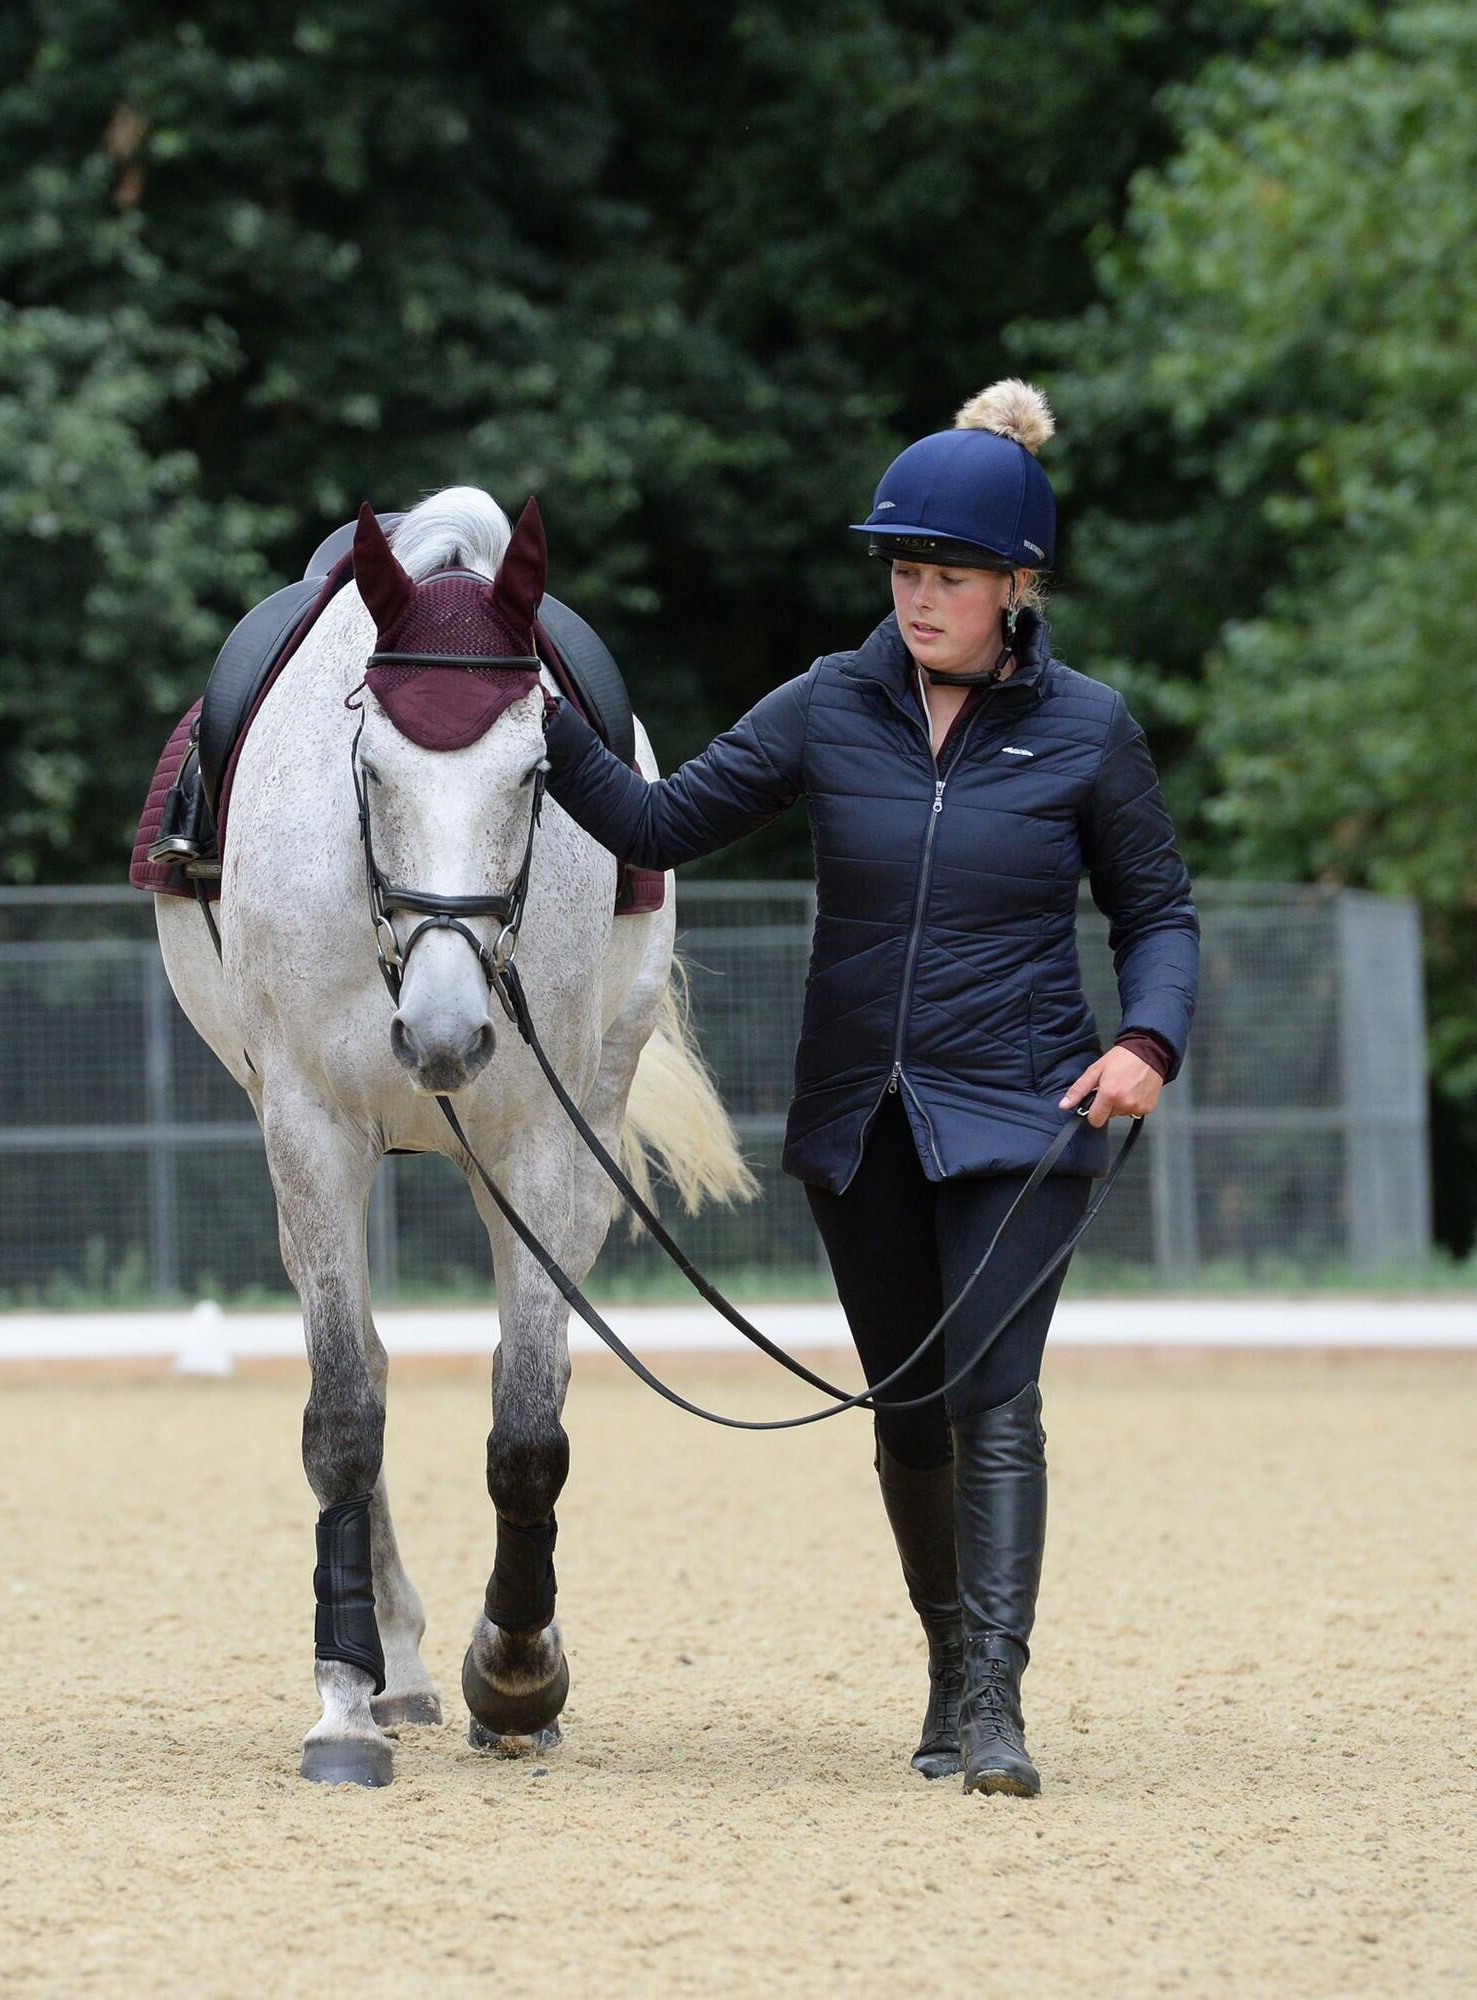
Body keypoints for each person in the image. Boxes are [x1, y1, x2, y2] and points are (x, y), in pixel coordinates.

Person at [538, 381, 1200, 1796]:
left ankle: (998, 1710)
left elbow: (1159, 913)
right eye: (904, 573)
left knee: (993, 1399)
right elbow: (660, 822)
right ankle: (948, 1666)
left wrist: (1146, 1042)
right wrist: (531, 717)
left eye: (949, 578)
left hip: (1030, 1114)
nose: (919, 599)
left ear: (1017, 589)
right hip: (862, 1120)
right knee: (908, 1413)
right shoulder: (828, 705)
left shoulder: (1090, 730)